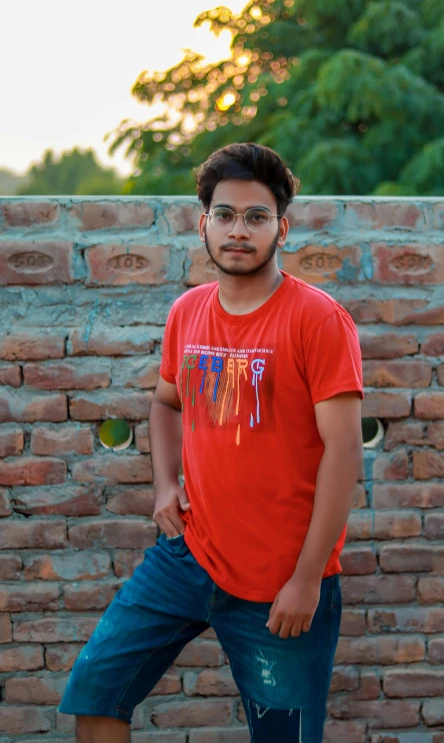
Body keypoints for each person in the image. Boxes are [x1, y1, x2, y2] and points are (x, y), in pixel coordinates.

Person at [59, 142, 364, 742]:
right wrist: (165, 484)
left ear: (283, 225)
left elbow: (343, 453)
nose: (238, 230)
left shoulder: (317, 320)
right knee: (95, 696)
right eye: (224, 214)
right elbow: (165, 402)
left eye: (256, 216)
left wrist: (305, 580)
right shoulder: (188, 312)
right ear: (203, 223)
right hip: (188, 557)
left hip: (281, 579)